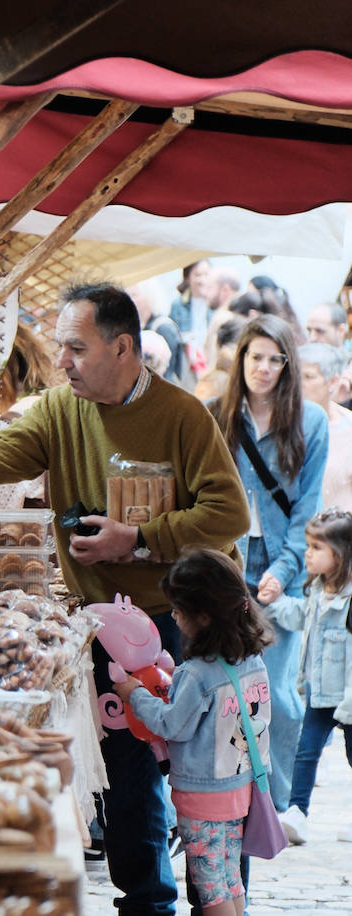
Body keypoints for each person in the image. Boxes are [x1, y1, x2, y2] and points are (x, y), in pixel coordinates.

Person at [0, 283, 250, 916]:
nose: (61, 361)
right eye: (61, 346)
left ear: (122, 347)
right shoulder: (59, 411)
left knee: (209, 773)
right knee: (130, 776)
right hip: (108, 628)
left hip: (187, 625)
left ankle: (224, 902)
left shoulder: (182, 415)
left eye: (76, 347)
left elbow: (229, 513)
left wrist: (142, 538)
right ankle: (146, 904)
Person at [207, 315, 329, 817]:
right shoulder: (217, 415)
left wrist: (284, 568)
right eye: (254, 356)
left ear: (287, 364)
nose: (263, 367)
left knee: (276, 690)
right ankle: (226, 791)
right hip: (226, 557)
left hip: (283, 559)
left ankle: (275, 803)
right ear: (240, 360)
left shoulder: (311, 421)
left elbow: (307, 508)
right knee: (220, 683)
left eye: (273, 358)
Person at [114, 547, 274, 916]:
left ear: (202, 616)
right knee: (229, 877)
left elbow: (171, 725)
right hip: (240, 787)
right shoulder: (252, 660)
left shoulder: (195, 673)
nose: (173, 615)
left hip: (203, 798)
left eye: (177, 610)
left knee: (210, 889)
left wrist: (135, 694)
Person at [265, 508, 352, 846]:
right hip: (318, 693)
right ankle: (297, 812)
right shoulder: (317, 589)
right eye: (308, 545)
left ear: (340, 554)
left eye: (317, 547)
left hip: (346, 697)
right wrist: (273, 604)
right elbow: (300, 616)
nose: (308, 553)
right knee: (306, 751)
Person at [297, 342, 352, 510]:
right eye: (295, 376)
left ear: (333, 381)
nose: (298, 384)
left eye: (308, 377)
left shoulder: (348, 427)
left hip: (338, 531)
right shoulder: (280, 424)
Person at [171, 260, 214, 337]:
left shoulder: (217, 303)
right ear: (187, 278)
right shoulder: (178, 305)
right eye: (198, 275)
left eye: (206, 274)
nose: (203, 280)